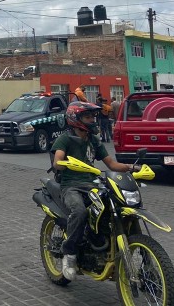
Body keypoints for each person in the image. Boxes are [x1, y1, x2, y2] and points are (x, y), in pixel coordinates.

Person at [51, 101, 139, 282]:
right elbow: (57, 161)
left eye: (92, 116)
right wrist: (64, 163)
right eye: (87, 117)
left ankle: (104, 246)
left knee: (113, 208)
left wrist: (134, 167)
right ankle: (69, 253)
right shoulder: (65, 139)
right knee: (80, 211)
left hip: (92, 184)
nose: (92, 120)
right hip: (71, 185)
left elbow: (112, 164)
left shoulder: (94, 140)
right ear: (75, 119)